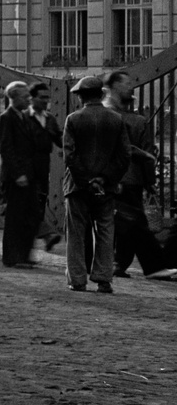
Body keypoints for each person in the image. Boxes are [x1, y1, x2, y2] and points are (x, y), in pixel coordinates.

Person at [62, 74, 130, 294]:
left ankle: (78, 279)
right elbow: (124, 156)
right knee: (106, 232)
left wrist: (87, 181)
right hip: (106, 188)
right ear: (101, 94)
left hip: (77, 186)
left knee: (76, 234)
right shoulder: (116, 119)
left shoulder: (73, 119)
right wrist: (104, 179)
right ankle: (103, 279)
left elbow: (70, 156)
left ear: (81, 96)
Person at [105, 69, 163, 277]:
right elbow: (147, 153)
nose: (130, 87)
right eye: (125, 84)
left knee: (124, 224)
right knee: (133, 222)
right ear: (111, 87)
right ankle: (154, 266)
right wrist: (150, 181)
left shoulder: (103, 114)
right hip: (128, 178)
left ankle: (119, 263)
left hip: (115, 179)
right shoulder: (136, 121)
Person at [0, 80, 42, 267]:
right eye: (25, 97)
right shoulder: (7, 118)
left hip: (28, 175)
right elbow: (6, 148)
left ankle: (23, 255)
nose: (29, 100)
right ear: (14, 98)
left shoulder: (22, 116)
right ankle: (12, 257)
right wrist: (17, 174)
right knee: (15, 218)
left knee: (30, 215)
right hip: (17, 177)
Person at [28, 82, 64, 253]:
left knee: (39, 205)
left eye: (47, 98)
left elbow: (60, 140)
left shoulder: (49, 119)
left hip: (43, 167)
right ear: (32, 98)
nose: (45, 101)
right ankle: (48, 234)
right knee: (29, 205)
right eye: (41, 97)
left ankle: (29, 247)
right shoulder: (23, 117)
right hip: (26, 166)